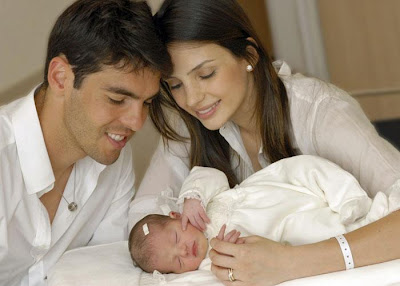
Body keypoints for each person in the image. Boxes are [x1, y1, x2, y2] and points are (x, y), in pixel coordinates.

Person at [129, 0, 400, 285]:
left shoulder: (321, 113)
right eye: (176, 85)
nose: (193, 98)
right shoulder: (189, 125)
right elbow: (142, 219)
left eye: (206, 74)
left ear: (249, 56)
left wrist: (290, 262)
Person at [0, 0, 171, 285]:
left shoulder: (114, 158)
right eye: (117, 99)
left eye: (147, 103)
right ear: (60, 77)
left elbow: (104, 273)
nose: (137, 122)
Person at [129, 155, 399, 275]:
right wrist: (228, 256)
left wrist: (193, 197)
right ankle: (368, 223)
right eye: (177, 263)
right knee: (315, 230)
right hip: (281, 233)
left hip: (278, 194)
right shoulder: (208, 262)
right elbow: (234, 272)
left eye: (177, 237)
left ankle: (350, 199)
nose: (185, 251)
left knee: (306, 168)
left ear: (176, 215)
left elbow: (210, 174)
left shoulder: (200, 204)